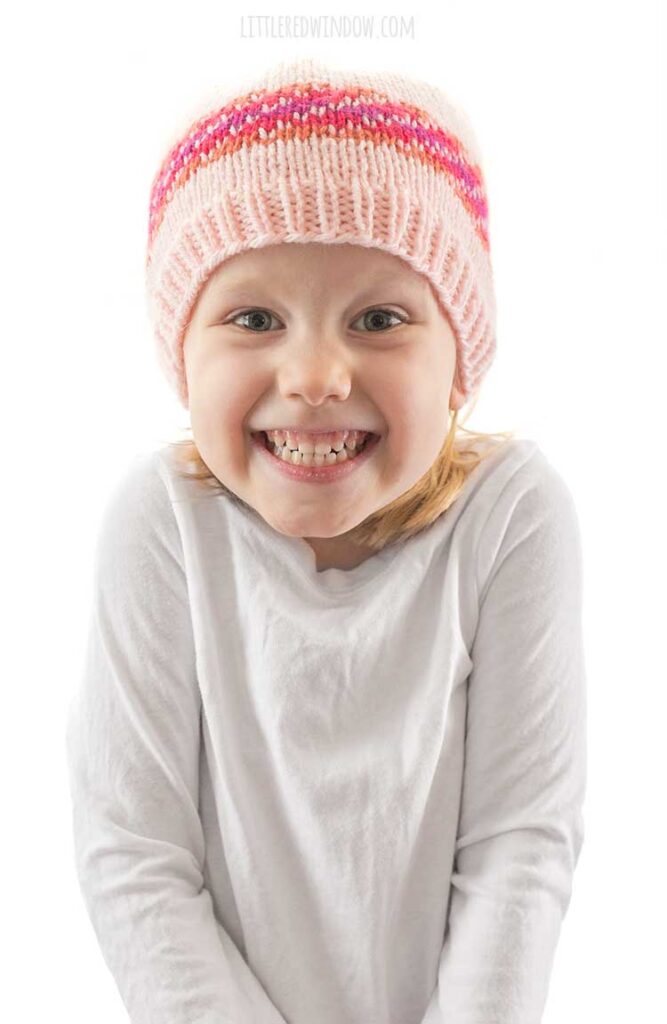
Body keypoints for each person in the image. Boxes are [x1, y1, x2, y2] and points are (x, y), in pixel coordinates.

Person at [64, 55, 587, 1024]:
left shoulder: (511, 513)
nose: (313, 375)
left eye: (379, 318)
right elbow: (135, 856)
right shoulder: (163, 522)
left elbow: (518, 846)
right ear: (182, 355)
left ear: (459, 359)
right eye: (253, 317)